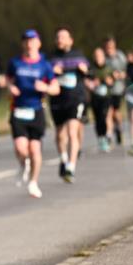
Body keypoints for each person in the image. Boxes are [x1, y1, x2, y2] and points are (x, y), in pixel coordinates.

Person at [6, 29, 59, 199]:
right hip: (18, 110)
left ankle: (33, 182)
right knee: (21, 148)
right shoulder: (15, 62)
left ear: (39, 43)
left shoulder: (44, 65)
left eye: (33, 40)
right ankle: (24, 164)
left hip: (36, 110)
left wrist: (45, 88)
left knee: (35, 150)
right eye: (26, 40)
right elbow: (6, 79)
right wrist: (10, 87)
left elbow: (55, 88)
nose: (29, 43)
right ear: (23, 44)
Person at [49, 27, 89, 183]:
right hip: (58, 100)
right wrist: (53, 72)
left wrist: (84, 70)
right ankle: (64, 159)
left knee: (73, 132)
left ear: (70, 40)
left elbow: (90, 72)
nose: (60, 40)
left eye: (63, 37)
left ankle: (71, 168)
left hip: (75, 98)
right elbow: (45, 76)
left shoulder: (79, 56)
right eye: (58, 37)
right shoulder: (51, 58)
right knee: (60, 135)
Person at [87, 46, 114, 152]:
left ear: (103, 57)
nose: (98, 58)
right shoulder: (91, 69)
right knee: (98, 119)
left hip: (106, 97)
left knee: (104, 116)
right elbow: (87, 81)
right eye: (96, 56)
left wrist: (109, 81)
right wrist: (92, 84)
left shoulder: (108, 68)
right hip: (95, 97)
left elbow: (113, 81)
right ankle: (100, 138)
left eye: (100, 56)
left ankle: (106, 136)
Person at [104, 37, 128, 149]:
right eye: (107, 46)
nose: (109, 49)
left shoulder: (120, 56)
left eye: (111, 46)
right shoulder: (104, 57)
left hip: (118, 88)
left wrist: (118, 75)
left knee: (116, 112)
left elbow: (126, 71)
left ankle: (118, 127)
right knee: (108, 112)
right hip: (107, 90)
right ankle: (109, 135)